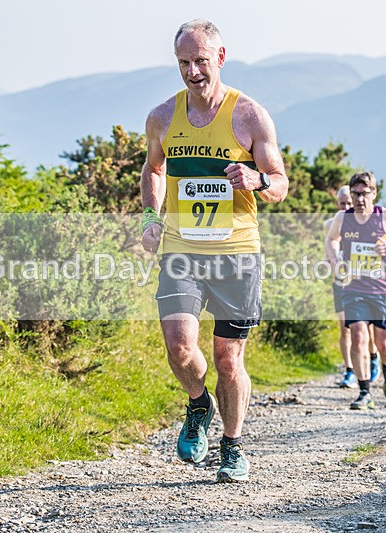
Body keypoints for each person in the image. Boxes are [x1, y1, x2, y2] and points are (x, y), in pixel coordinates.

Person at [140, 20, 288, 483]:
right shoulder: (163, 117)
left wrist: (258, 180)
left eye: (200, 61)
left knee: (229, 358)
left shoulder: (249, 116)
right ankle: (198, 403)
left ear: (220, 58)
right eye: (184, 63)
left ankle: (232, 446)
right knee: (180, 347)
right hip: (182, 249)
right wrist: (150, 218)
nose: (192, 71)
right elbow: (154, 169)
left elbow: (280, 183)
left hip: (237, 252)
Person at [325, 172, 386, 410]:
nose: (359, 199)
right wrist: (335, 261)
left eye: (364, 194)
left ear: (374, 193)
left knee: (384, 344)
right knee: (358, 335)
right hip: (354, 288)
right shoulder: (343, 218)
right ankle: (364, 391)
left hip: (383, 290)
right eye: (355, 194)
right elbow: (331, 239)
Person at [323, 186, 380, 388]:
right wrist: (333, 265)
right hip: (342, 283)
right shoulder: (331, 223)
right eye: (342, 203)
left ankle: (373, 357)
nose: (346, 206)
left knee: (367, 329)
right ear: (337, 203)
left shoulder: (368, 222)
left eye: (349, 202)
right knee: (345, 328)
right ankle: (349, 371)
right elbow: (328, 251)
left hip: (365, 283)